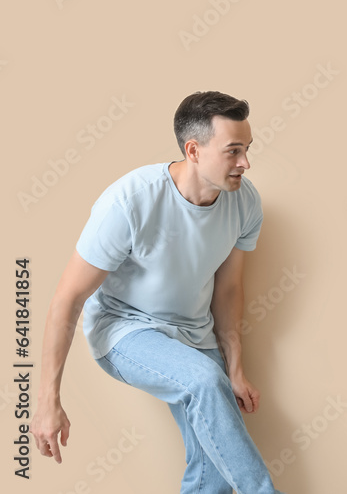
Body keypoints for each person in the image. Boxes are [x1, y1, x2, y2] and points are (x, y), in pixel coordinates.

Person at [31, 91, 286, 494]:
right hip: (124, 329)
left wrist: (234, 369)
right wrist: (47, 401)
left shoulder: (245, 203)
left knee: (212, 461)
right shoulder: (130, 201)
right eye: (233, 151)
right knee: (203, 381)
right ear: (194, 150)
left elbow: (229, 289)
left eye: (248, 149)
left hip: (195, 334)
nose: (246, 163)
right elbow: (67, 300)